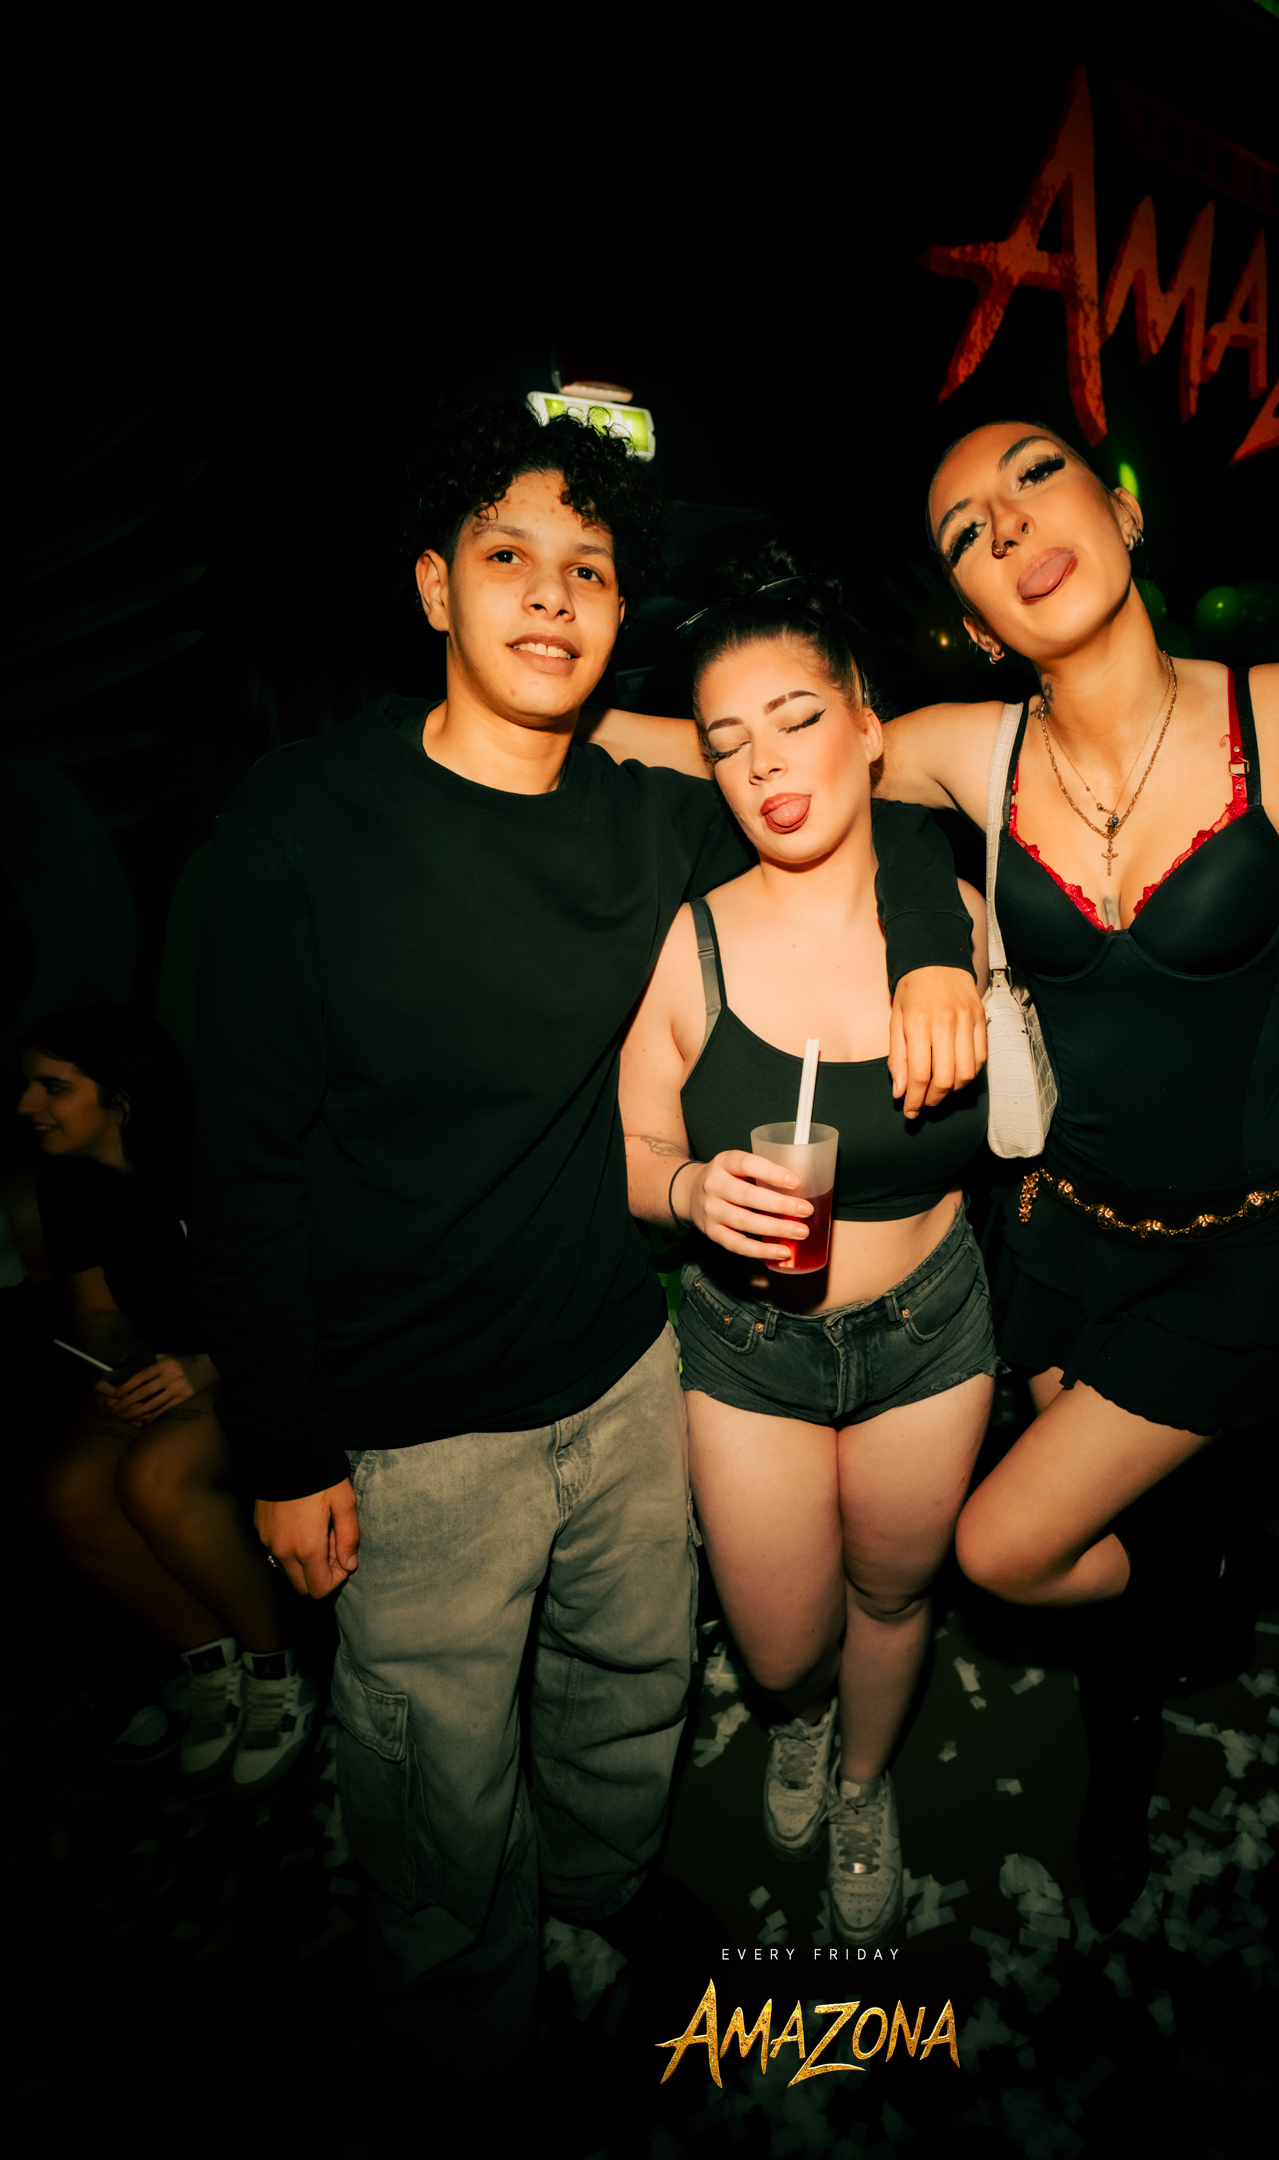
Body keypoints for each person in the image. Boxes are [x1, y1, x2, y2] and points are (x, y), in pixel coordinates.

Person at [190, 393, 985, 2065]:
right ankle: (471, 2027)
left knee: (629, 1694)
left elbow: (869, 819)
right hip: (412, 1425)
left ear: (621, 616)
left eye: (591, 568)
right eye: (509, 556)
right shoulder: (298, 826)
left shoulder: (648, 823)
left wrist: (929, 946)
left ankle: (604, 1888)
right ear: (434, 586)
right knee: (435, 1775)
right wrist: (282, 1447)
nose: (552, 594)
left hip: (624, 1375)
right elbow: (241, 1163)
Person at [593, 417, 1279, 1922]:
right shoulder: (973, 748)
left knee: (1005, 1544)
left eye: (1036, 477)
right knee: (1109, 1525)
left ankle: (1154, 1659)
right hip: (1063, 1231)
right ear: (976, 619)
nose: (1003, 525)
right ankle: (1141, 1678)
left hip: (1239, 1240)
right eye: (962, 531)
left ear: (1126, 517)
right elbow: (775, 749)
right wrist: (527, 711)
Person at [618, 562, 994, 1946]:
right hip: (748, 1346)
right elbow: (632, 1145)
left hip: (929, 1329)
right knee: (781, 1647)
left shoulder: (957, 919)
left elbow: (1059, 1094)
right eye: (729, 744)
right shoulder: (694, 942)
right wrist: (689, 1188)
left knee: (894, 1594)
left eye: (797, 720)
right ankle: (801, 1720)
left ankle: (863, 1780)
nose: (766, 766)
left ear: (871, 727)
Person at [24, 1005, 314, 1790]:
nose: (27, 1105)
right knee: (70, 1490)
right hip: (166, 1361)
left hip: (258, 1355)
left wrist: (205, 1364)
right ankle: (211, 1661)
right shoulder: (65, 1179)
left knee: (154, 1476)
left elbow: (296, 1284)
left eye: (53, 1086)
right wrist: (111, 1363)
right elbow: (96, 1309)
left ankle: (278, 1668)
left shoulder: (210, 1155)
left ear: (119, 1094)